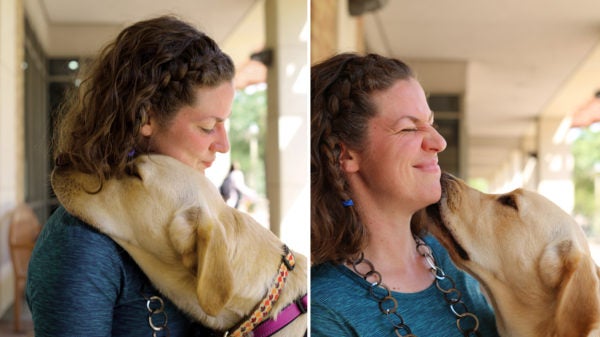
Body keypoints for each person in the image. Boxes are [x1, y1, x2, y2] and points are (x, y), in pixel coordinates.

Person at [26, 16, 234, 337]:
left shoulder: (185, 219)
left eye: (224, 125)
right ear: (145, 117)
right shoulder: (81, 243)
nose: (222, 145)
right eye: (208, 127)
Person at [310, 53, 500, 337]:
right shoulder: (324, 312)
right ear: (345, 153)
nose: (439, 142)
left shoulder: (451, 254)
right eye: (409, 127)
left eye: (430, 123)